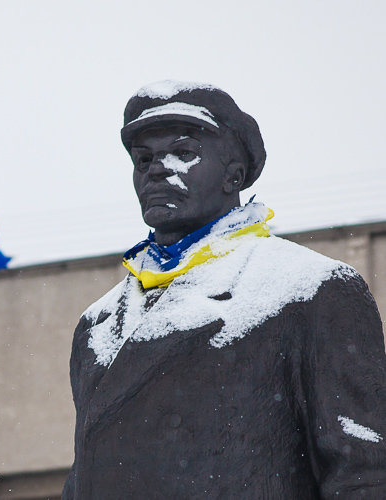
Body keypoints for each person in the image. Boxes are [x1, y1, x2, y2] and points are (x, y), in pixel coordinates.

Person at [63, 81, 386, 499]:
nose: (157, 168)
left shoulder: (311, 290)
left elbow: (365, 475)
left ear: (233, 175)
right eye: (144, 159)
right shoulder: (96, 325)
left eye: (183, 153)